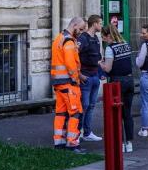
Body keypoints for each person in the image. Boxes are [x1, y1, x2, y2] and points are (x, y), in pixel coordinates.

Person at [51, 17, 87, 153]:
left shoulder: (59, 38)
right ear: (75, 25)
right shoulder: (69, 41)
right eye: (81, 28)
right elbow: (70, 64)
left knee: (60, 113)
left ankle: (58, 142)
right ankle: (72, 144)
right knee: (76, 113)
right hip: (69, 83)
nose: (81, 31)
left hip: (58, 83)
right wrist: (76, 78)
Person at [100, 25, 135, 153]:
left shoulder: (110, 49)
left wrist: (100, 63)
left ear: (109, 35)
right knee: (127, 113)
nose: (103, 39)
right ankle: (129, 143)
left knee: (117, 115)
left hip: (117, 82)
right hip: (129, 81)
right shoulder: (125, 44)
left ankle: (120, 143)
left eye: (103, 37)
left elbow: (108, 68)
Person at [77, 14, 104, 142]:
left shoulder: (96, 39)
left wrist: (100, 72)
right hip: (86, 77)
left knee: (91, 105)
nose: (101, 25)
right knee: (84, 105)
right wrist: (79, 74)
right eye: (100, 23)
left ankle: (87, 132)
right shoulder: (83, 38)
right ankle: (77, 131)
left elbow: (98, 57)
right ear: (94, 24)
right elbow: (74, 56)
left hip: (94, 76)